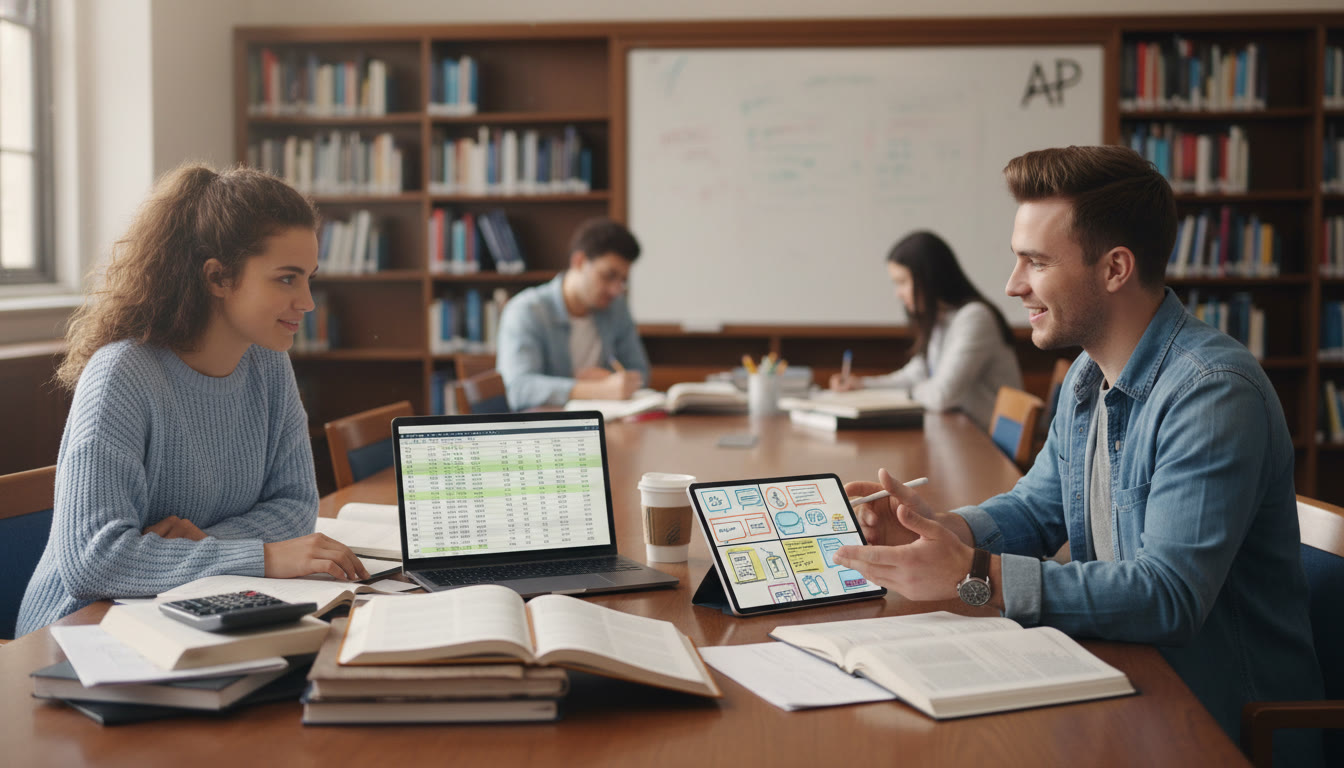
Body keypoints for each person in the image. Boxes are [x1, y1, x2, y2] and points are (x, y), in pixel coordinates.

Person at [833, 146, 1323, 764]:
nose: (1012, 285)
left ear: (1115, 267)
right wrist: (934, 533)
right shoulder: (1087, 377)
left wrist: (975, 574)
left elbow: (1168, 596)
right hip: (1123, 680)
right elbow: (1038, 510)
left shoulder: (1212, 394)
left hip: (1219, 725)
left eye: (1035, 261)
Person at [16, 163, 368, 636]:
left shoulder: (266, 362)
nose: (306, 301)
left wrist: (205, 546)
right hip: (81, 631)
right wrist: (261, 556)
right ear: (218, 278)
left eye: (309, 277)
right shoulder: (121, 375)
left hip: (192, 609)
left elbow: (295, 505)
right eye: (287, 279)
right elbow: (93, 563)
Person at [828, 231, 1021, 430]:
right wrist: (861, 385)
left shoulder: (975, 318)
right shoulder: (940, 320)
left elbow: (942, 396)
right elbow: (915, 375)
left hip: (991, 444)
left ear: (929, 278)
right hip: (963, 433)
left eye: (902, 282)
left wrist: (910, 393)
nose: (898, 294)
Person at [496, 217, 651, 411]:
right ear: (579, 261)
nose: (615, 290)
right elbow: (519, 389)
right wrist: (592, 389)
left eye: (622, 280)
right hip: (547, 434)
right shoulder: (526, 310)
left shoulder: (616, 308)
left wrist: (617, 381)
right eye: (609, 276)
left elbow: (640, 372)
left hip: (609, 424)